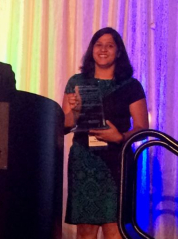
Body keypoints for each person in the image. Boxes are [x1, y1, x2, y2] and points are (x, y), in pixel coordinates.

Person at [62, 27, 149, 239]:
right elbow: (64, 125)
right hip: (84, 162)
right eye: (98, 45)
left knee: (115, 230)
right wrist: (76, 111)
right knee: (86, 233)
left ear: (118, 52)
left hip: (116, 162)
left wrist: (119, 137)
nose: (103, 49)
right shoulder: (76, 82)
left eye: (110, 45)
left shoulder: (131, 85)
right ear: (92, 49)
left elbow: (142, 128)